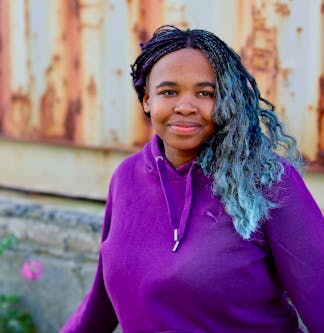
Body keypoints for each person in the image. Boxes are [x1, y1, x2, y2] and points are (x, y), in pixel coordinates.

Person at [60, 25, 324, 333]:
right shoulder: (126, 177)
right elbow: (103, 300)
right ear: (147, 100)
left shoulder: (268, 180)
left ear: (227, 101)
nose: (185, 106)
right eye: (169, 92)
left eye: (205, 93)